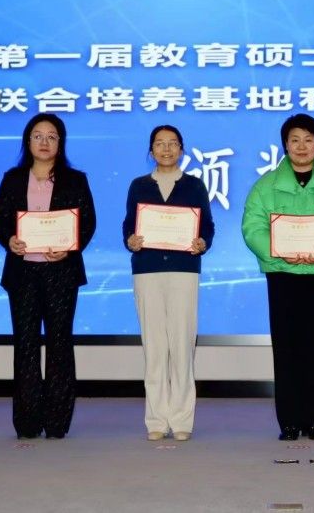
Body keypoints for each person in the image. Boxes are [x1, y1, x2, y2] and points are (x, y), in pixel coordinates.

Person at [241, 113, 314, 441]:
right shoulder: (265, 186)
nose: (302, 146)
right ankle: (289, 422)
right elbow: (252, 226)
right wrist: (279, 252)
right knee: (286, 348)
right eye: (295, 140)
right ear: (285, 145)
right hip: (283, 275)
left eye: (309, 140)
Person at [0, 113, 97, 440]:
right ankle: (27, 422)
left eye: (52, 136)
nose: (45, 142)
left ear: (60, 143)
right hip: (23, 273)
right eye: (38, 136)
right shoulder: (12, 178)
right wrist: (9, 239)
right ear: (28, 141)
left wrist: (69, 248)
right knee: (25, 345)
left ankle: (57, 422)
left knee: (60, 344)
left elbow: (87, 222)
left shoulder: (75, 180)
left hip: (61, 273)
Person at [122, 124, 215, 442]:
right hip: (147, 270)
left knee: (182, 344)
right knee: (155, 347)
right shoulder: (138, 185)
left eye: (172, 143)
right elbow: (128, 224)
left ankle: (182, 419)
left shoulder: (194, 185)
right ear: (151, 151)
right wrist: (131, 239)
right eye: (159, 144)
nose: (166, 149)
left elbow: (207, 226)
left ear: (181, 149)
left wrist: (202, 242)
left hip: (183, 270)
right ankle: (157, 420)